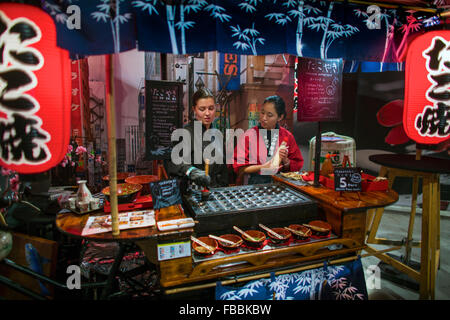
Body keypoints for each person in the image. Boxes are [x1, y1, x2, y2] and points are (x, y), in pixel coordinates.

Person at [164, 88, 229, 189]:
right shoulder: (185, 133)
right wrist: (191, 171)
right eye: (202, 109)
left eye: (211, 108)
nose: (207, 113)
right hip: (193, 192)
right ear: (194, 109)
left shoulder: (217, 135)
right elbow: (175, 163)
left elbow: (223, 169)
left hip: (216, 192)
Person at [233, 95, 304, 184]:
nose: (264, 118)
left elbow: (296, 165)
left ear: (280, 117)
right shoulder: (249, 135)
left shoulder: (287, 136)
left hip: (279, 184)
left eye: (269, 115)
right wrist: (264, 167)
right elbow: (240, 168)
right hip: (253, 184)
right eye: (262, 113)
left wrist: (286, 160)